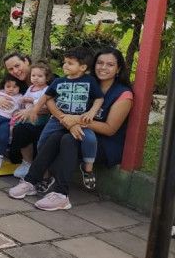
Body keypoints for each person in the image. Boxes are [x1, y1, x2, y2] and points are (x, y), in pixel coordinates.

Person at [9, 47, 132, 210]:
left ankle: (61, 194)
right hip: (73, 129)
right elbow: (51, 99)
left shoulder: (123, 95)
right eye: (100, 63)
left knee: (67, 139)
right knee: (55, 136)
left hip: (101, 143)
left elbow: (109, 129)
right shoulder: (84, 81)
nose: (103, 67)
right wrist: (65, 119)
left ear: (119, 69)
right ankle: (31, 181)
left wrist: (76, 121)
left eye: (110, 64)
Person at [34, 48, 104, 190]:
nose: (65, 65)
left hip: (81, 120)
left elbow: (99, 98)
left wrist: (91, 112)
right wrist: (34, 110)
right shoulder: (59, 81)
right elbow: (47, 96)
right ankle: (47, 173)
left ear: (83, 67)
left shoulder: (89, 81)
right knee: (42, 142)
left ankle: (88, 169)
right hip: (56, 119)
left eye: (70, 63)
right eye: (65, 62)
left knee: (90, 140)